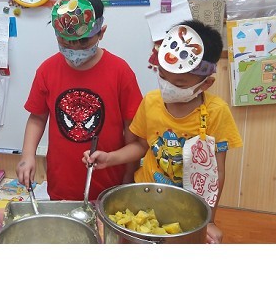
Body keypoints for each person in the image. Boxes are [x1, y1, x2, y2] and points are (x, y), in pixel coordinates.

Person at [83, 20, 243, 243]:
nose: (168, 87)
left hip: (187, 205)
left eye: (180, 83)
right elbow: (141, 145)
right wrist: (110, 158)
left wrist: (210, 220)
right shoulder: (151, 102)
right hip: (145, 195)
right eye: (163, 77)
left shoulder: (217, 112)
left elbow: (217, 173)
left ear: (206, 83)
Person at [16, 0, 143, 201]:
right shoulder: (47, 70)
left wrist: (129, 176)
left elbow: (133, 134)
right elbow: (37, 118)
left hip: (109, 186)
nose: (74, 49)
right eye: (65, 42)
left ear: (101, 32)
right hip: (61, 184)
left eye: (83, 42)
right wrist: (27, 155)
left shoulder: (120, 72)